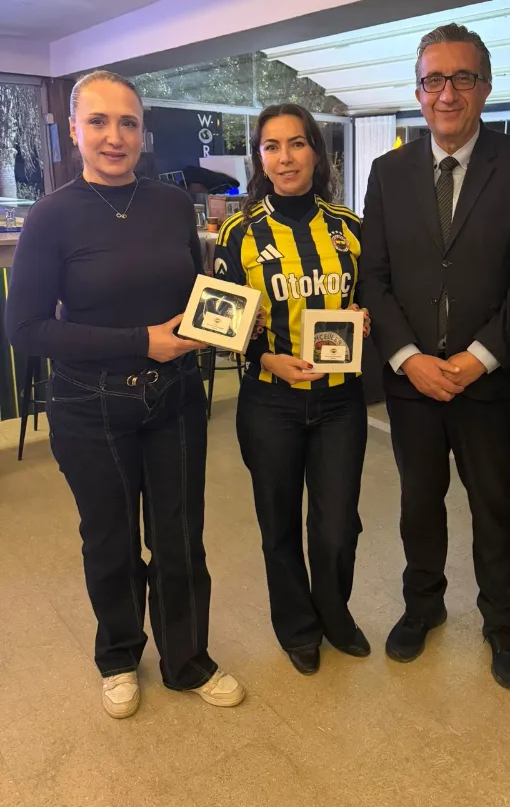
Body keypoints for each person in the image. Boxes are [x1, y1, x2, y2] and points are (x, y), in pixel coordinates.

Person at [5, 71, 245, 718]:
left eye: (128, 123)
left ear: (144, 133)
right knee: (110, 542)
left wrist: (219, 320)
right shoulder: (51, 217)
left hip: (175, 400)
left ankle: (187, 660)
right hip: (89, 407)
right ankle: (117, 656)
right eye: (99, 122)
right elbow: (26, 328)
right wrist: (142, 340)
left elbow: (193, 292)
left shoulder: (172, 205)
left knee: (180, 539)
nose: (114, 136)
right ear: (74, 130)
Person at [359, 23, 510, 688]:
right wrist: (408, 357)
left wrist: (479, 356)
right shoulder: (388, 173)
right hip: (411, 381)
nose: (447, 94)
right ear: (418, 92)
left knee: (494, 506)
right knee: (419, 503)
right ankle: (423, 606)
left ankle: (502, 624)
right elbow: (374, 278)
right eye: (433, 80)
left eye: (462, 78)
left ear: (486, 87)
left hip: (490, 381)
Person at [214, 103, 371, 676]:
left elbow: (374, 295)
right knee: (277, 524)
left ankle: (334, 614)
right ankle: (298, 628)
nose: (285, 158)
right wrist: (264, 357)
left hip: (339, 401)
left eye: (297, 144)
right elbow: (221, 321)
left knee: (337, 526)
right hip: (269, 401)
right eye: (272, 146)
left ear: (316, 153)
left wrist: (367, 314)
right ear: (260, 158)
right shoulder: (238, 233)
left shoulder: (349, 227)